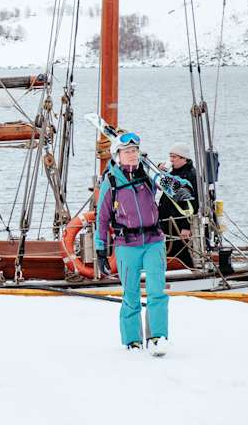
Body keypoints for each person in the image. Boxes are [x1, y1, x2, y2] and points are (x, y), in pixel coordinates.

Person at [95, 131, 169, 356]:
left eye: (135, 150)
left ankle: (157, 338)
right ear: (118, 155)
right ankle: (133, 341)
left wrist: (179, 184)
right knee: (131, 294)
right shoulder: (111, 182)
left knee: (157, 292)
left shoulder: (148, 175)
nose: (133, 154)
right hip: (126, 245)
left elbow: (171, 185)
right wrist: (100, 249)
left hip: (154, 241)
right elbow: (102, 218)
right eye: (127, 151)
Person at [158, 142, 198, 268]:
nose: (171, 160)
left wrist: (186, 226)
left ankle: (191, 270)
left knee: (181, 251)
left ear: (184, 158)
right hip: (168, 221)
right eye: (170, 156)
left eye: (174, 157)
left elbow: (193, 202)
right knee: (170, 250)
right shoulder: (173, 173)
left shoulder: (190, 175)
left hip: (179, 222)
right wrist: (159, 172)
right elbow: (161, 185)